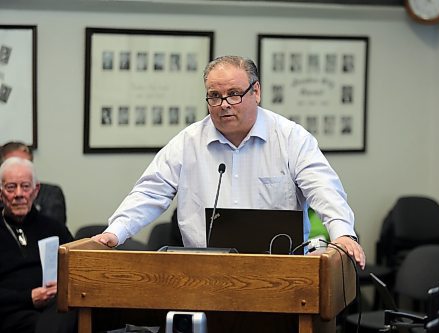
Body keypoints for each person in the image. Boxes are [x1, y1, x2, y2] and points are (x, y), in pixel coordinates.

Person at [93, 55, 365, 269]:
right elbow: (150, 191)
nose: (224, 104)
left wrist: (342, 233)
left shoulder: (290, 138)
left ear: (255, 91)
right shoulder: (188, 142)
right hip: (205, 273)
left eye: (234, 93)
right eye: (214, 95)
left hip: (281, 273)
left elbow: (324, 189)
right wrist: (115, 232)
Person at [0, 157, 76, 333]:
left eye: (25, 186)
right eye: (11, 187)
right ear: (1, 192)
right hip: (11, 312)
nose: (19, 194)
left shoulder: (55, 228)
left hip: (55, 307)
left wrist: (62, 287)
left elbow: (77, 271)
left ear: (36, 190)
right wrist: (29, 297)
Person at [0, 141, 67, 225]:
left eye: (26, 164)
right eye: (12, 164)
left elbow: (53, 228)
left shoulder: (51, 194)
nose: (19, 193)